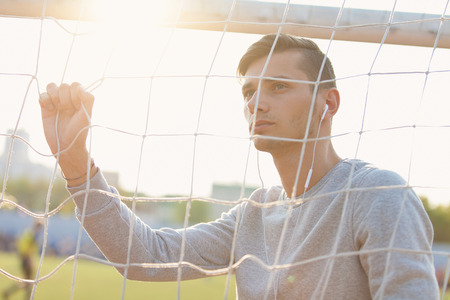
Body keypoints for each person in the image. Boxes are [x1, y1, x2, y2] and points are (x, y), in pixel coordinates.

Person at [38, 33, 439, 299]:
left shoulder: (377, 195)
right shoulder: (254, 214)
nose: (257, 103)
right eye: (249, 91)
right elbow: (144, 256)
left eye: (278, 87)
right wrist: (75, 163)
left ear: (328, 104)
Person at [3, 220, 42, 300]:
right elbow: (27, 247)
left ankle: (9, 292)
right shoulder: (33, 235)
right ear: (38, 226)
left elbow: (21, 244)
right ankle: (23, 297)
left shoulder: (29, 233)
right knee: (29, 281)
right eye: (41, 226)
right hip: (26, 259)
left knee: (27, 281)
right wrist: (28, 259)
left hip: (25, 258)